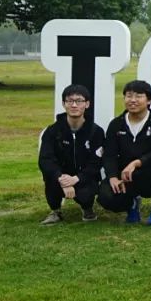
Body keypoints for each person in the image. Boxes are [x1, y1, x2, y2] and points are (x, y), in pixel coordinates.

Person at [97, 80, 151, 225]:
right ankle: (131, 205)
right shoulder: (116, 124)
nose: (133, 100)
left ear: (149, 100)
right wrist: (113, 177)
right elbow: (109, 155)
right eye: (129, 96)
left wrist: (137, 163)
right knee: (106, 196)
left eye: (138, 96)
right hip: (124, 177)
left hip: (149, 175)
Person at [37, 84, 105, 224]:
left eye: (79, 101)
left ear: (87, 104)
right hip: (60, 178)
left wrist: (76, 179)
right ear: (64, 104)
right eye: (70, 101)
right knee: (50, 178)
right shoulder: (52, 131)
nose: (74, 105)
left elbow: (96, 162)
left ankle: (87, 209)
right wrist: (61, 178)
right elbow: (45, 160)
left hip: (83, 178)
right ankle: (55, 211)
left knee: (86, 193)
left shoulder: (96, 132)